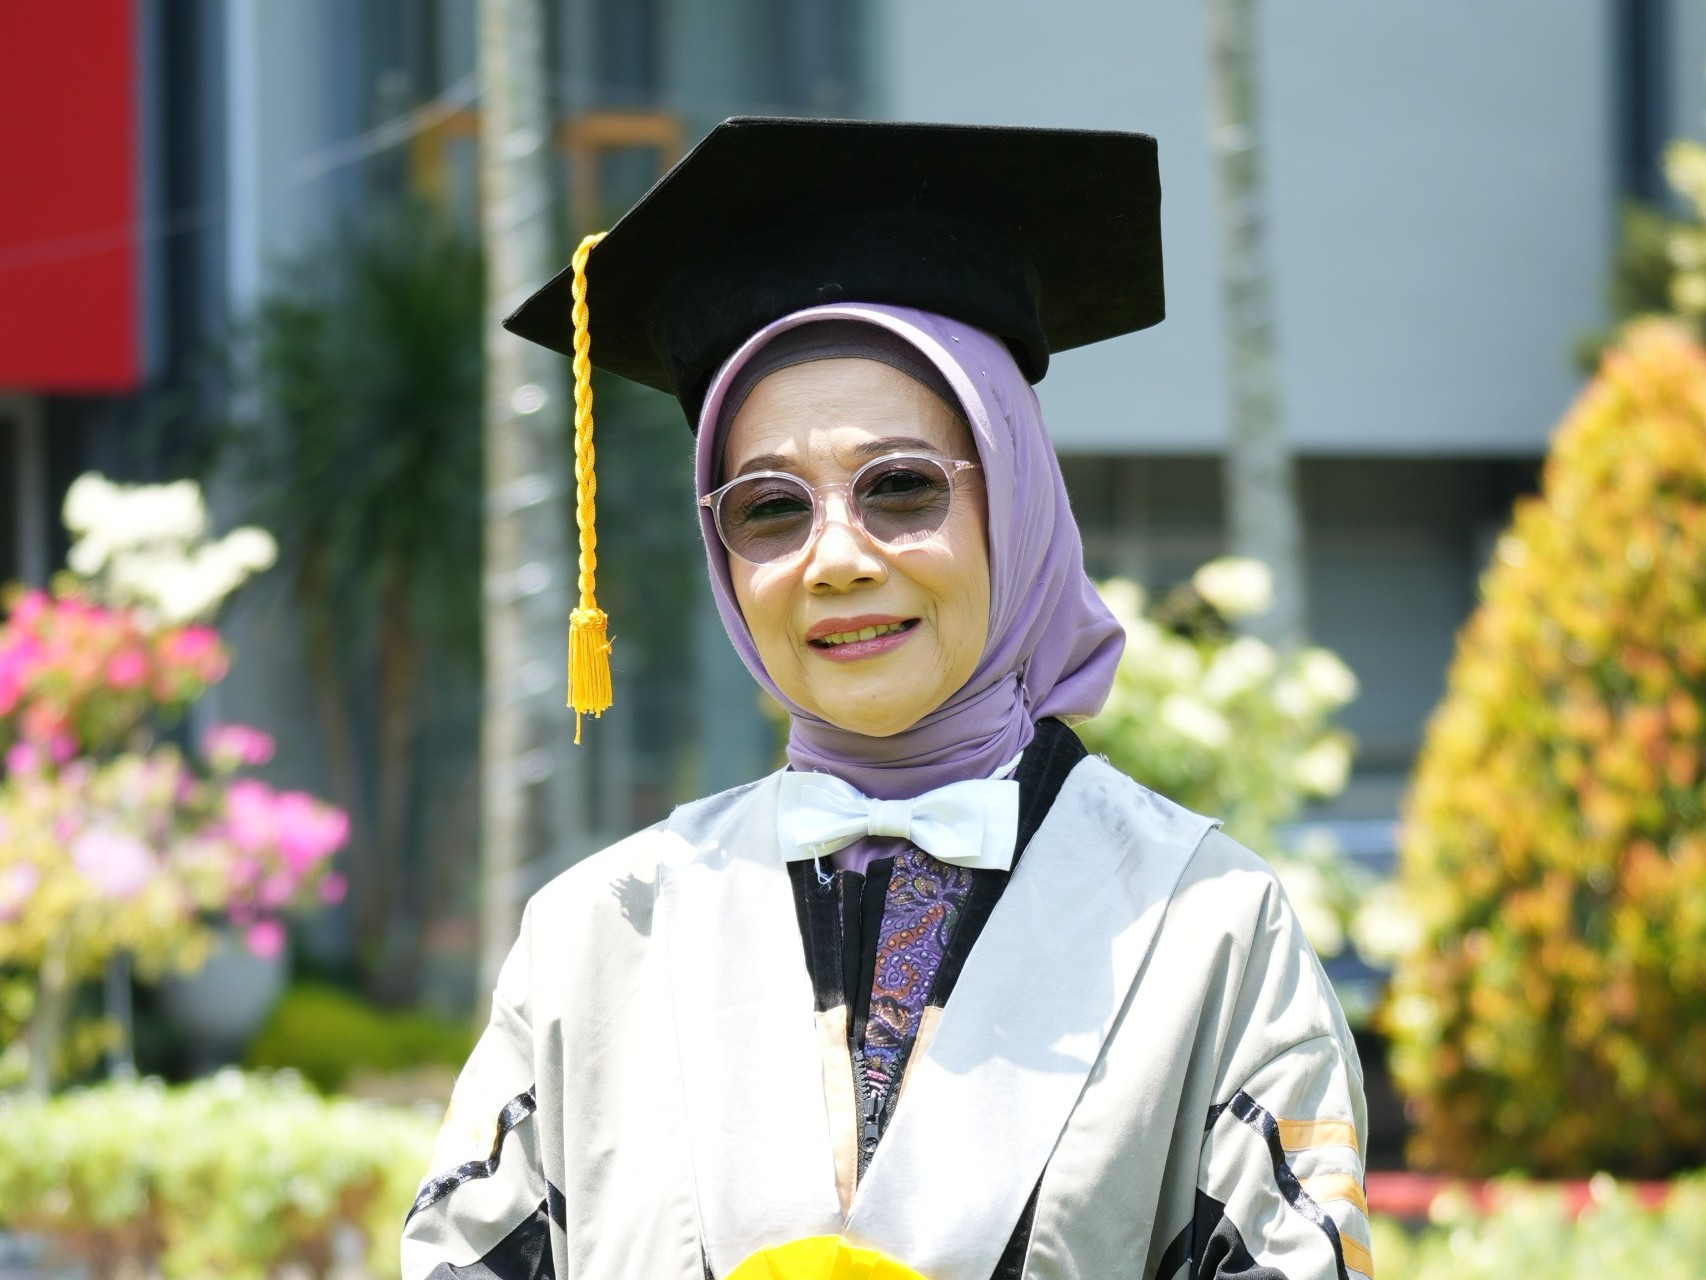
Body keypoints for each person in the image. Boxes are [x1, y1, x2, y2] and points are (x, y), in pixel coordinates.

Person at [401, 118, 1370, 1280]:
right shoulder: (600, 938)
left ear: (1013, 497)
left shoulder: (1204, 929)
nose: (836, 560)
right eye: (769, 506)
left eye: (900, 488)